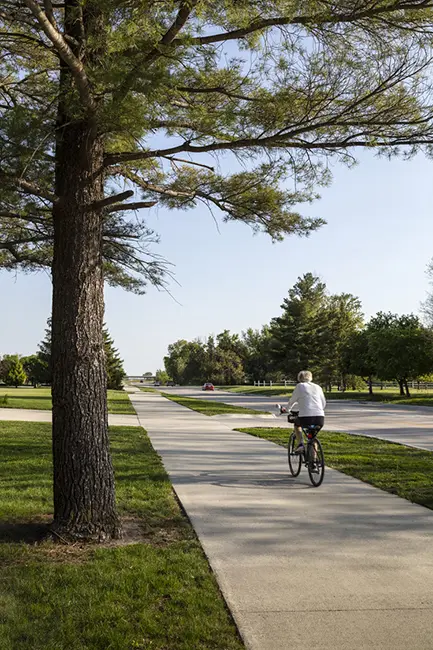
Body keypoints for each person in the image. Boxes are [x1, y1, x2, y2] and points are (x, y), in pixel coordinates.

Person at [287, 370, 326, 453]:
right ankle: (314, 459)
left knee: (297, 425)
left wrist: (287, 409)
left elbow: (292, 401)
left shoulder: (300, 386)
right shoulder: (318, 387)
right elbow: (323, 403)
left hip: (305, 417)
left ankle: (300, 444)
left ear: (299, 378)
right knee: (313, 437)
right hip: (320, 418)